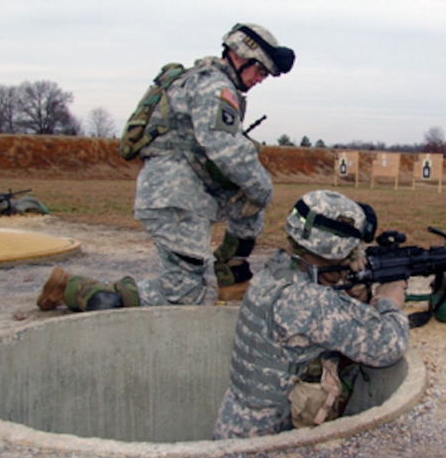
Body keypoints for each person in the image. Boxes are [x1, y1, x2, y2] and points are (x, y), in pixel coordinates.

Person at [36, 23, 295, 313]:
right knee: (183, 294)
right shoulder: (215, 87)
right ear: (239, 55)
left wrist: (256, 192)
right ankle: (77, 290)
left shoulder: (196, 80)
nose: (260, 78)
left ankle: (232, 277)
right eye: (259, 70)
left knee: (250, 200)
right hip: (174, 197)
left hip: (189, 191)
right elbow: (226, 149)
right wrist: (265, 187)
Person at [213, 189, 410, 439]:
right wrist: (388, 299)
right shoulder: (309, 301)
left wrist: (352, 292)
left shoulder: (275, 270)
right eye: (349, 251)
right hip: (267, 443)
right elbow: (388, 345)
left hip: (234, 424)